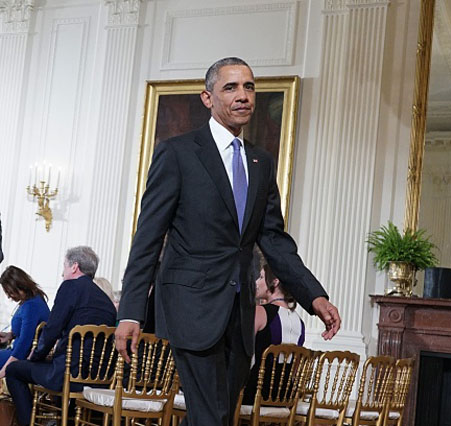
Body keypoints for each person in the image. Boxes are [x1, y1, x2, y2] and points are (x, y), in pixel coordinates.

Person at [115, 57, 341, 426]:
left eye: (249, 87)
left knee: (216, 414)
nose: (243, 96)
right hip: (190, 307)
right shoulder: (178, 153)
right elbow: (148, 238)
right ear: (207, 98)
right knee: (210, 417)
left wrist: (313, 295)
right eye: (230, 87)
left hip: (239, 316)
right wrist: (131, 311)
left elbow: (274, 240)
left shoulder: (261, 162)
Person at [5, 246, 117, 426]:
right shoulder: (107, 302)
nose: (62, 273)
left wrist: (35, 357)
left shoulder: (70, 286)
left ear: (74, 266)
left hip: (68, 374)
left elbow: (52, 330)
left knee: (13, 370)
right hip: (99, 378)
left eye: (64, 266)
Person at [242, 263, 305, 405]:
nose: (257, 282)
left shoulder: (260, 312)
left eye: (261, 277)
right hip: (285, 396)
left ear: (275, 281)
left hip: (256, 394)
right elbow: (295, 368)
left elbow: (244, 354)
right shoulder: (300, 322)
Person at [0, 266, 50, 379]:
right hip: (16, 351)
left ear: (20, 286)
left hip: (21, 356)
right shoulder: (31, 300)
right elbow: (27, 331)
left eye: (10, 292)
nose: (9, 296)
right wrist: (10, 335)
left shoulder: (31, 306)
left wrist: (3, 372)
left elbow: (24, 344)